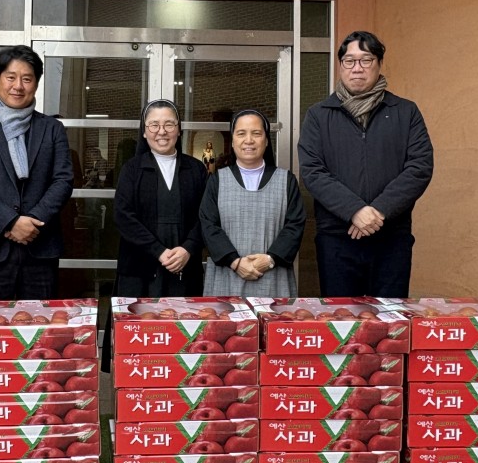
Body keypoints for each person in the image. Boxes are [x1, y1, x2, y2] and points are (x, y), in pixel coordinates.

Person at [298, 30, 433, 297]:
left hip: (391, 238)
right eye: (349, 61)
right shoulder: (318, 115)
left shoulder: (405, 112)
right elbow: (312, 171)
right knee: (340, 317)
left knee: (390, 317)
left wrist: (379, 211)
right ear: (340, 65)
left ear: (379, 63)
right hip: (337, 238)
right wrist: (355, 210)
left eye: (366, 60)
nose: (357, 68)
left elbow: (419, 167)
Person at [0, 45, 73, 299]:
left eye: (27, 79)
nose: (18, 86)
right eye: (11, 77)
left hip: (40, 244)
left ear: (36, 84)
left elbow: (63, 180)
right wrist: (11, 222)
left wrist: (32, 223)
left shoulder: (52, 128)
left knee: (41, 320)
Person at [200, 109, 306, 296]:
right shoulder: (217, 180)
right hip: (227, 277)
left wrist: (269, 259)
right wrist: (235, 262)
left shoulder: (286, 180)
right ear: (233, 140)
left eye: (256, 133)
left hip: (273, 277)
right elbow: (208, 224)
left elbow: (295, 225)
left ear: (266, 140)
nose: (248, 140)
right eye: (241, 133)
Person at [114, 100, 208, 296]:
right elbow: (124, 217)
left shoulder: (196, 169)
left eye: (169, 124)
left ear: (179, 130)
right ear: (144, 131)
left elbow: (207, 216)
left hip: (185, 266)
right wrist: (159, 251)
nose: (162, 131)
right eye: (154, 125)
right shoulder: (131, 169)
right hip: (139, 269)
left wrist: (188, 249)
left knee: (184, 315)